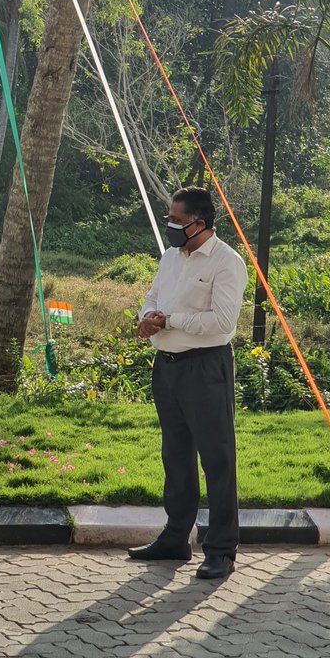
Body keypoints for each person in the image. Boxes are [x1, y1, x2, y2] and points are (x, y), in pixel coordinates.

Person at [129, 185, 247, 581]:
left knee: (217, 459)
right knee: (175, 455)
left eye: (177, 221)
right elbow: (153, 296)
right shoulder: (170, 257)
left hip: (206, 368)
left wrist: (171, 320)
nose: (171, 227)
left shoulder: (226, 263)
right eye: (170, 219)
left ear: (200, 222)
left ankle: (221, 550)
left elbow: (223, 323)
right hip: (168, 367)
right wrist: (148, 317)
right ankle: (175, 538)